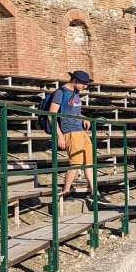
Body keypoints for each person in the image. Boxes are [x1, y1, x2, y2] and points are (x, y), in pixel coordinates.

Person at [50, 70, 94, 199]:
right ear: (75, 80)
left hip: (80, 130)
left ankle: (94, 192)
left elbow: (74, 111)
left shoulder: (76, 92)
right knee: (76, 162)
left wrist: (83, 117)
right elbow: (51, 115)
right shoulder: (60, 92)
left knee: (89, 162)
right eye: (83, 83)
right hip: (70, 131)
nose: (85, 86)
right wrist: (60, 136)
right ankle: (66, 191)